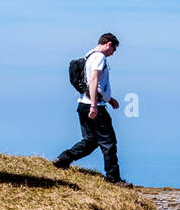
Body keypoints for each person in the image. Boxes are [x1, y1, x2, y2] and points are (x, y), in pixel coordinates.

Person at [54, 33, 129, 186]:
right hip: (94, 106)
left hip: (83, 104)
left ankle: (64, 159)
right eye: (113, 49)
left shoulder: (88, 56)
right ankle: (113, 178)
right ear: (109, 44)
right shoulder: (99, 58)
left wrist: (109, 98)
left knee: (91, 140)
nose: (112, 53)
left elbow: (93, 83)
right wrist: (94, 105)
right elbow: (94, 80)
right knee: (108, 142)